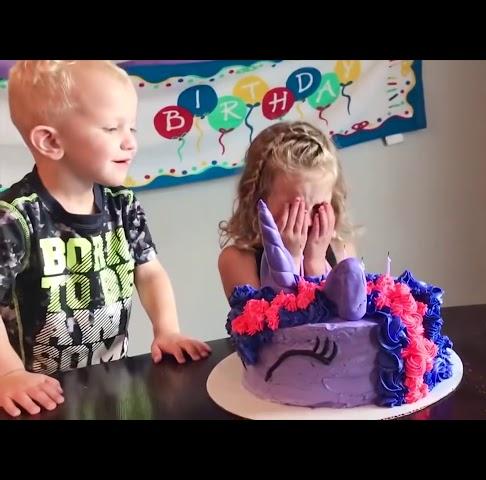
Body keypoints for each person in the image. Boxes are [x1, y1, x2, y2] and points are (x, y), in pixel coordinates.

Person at [0, 60, 210, 417]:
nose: (130, 142)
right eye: (112, 128)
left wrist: (167, 330)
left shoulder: (122, 204)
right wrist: (9, 374)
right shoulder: (15, 217)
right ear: (50, 140)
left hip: (112, 387)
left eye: (132, 127)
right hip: (38, 399)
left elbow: (150, 271)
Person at [218, 120, 358, 299]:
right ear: (257, 200)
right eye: (294, 208)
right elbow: (275, 323)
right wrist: (290, 258)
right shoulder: (237, 260)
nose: (306, 222)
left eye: (317, 207)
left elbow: (348, 319)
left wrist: (315, 262)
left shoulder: (342, 249)